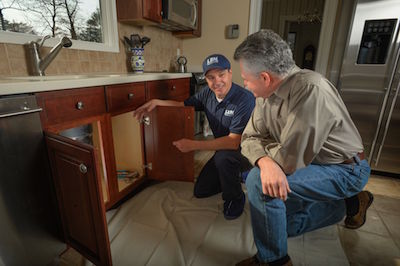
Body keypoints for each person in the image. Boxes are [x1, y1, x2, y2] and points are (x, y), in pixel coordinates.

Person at [233, 29, 374, 266]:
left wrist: (265, 158)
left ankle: (275, 261)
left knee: (258, 182)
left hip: (345, 170)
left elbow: (288, 161)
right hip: (309, 165)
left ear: (265, 77)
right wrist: (266, 161)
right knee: (280, 225)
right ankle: (345, 204)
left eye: (246, 79)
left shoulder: (310, 89)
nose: (245, 85)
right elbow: (248, 138)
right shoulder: (265, 96)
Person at [133, 54, 255, 220]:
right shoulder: (206, 94)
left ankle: (235, 197)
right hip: (223, 150)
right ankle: (235, 176)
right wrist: (157, 102)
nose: (217, 81)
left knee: (223, 158)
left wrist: (193, 145)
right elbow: (182, 106)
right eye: (211, 77)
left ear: (230, 73)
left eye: (221, 75)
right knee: (201, 190)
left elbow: (234, 142)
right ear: (205, 78)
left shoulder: (244, 99)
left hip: (246, 152)